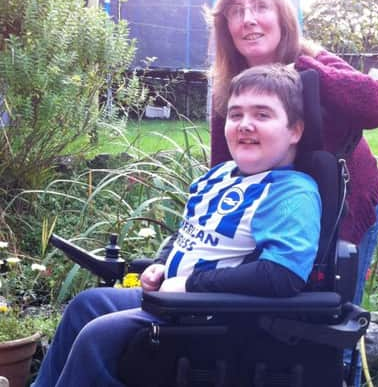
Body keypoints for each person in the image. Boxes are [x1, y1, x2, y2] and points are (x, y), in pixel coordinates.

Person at [32, 64, 321, 387]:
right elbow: (189, 234)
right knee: (86, 304)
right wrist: (160, 263)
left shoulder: (291, 192)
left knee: (99, 335)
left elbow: (283, 275)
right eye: (236, 114)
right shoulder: (219, 175)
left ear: (295, 130)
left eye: (262, 115)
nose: (245, 125)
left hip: (212, 315)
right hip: (172, 300)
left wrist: (190, 285)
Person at [209, 0, 378, 309]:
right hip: (282, 211)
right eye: (236, 10)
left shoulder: (315, 60)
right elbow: (224, 168)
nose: (248, 19)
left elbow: (376, 105)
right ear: (226, 27)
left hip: (347, 203)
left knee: (336, 312)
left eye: (260, 7)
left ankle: (344, 363)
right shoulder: (228, 88)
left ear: (281, 16)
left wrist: (305, 72)